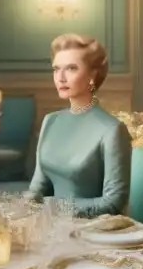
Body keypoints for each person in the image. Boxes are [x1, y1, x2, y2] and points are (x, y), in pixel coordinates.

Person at [27, 34, 129, 218]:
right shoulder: (51, 120)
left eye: (71, 69)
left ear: (92, 75)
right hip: (49, 225)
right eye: (56, 69)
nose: (61, 77)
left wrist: (56, 208)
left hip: (90, 230)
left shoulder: (111, 129)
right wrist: (22, 207)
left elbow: (114, 202)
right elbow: (38, 186)